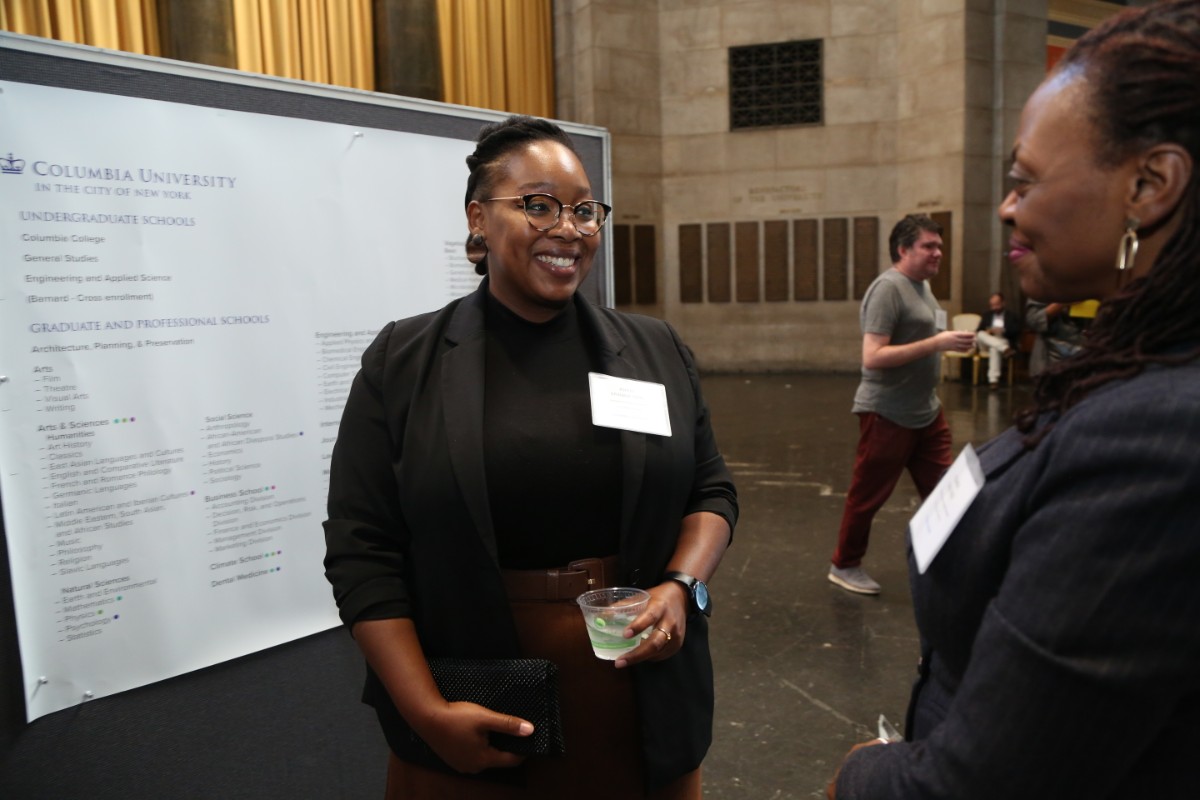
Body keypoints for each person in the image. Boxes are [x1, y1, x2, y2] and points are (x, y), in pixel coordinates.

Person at [828, 1, 1200, 796]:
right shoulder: (1131, 378)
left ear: (1150, 185)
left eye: (1025, 181)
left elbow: (984, 781)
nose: (1005, 207)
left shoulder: (1154, 439)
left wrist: (859, 774)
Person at [323, 115, 738, 799]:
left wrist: (680, 589)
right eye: (538, 206)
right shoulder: (403, 363)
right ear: (478, 219)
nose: (568, 229)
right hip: (474, 701)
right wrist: (425, 711)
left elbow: (710, 490)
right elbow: (362, 551)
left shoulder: (655, 352)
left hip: (641, 695)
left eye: (584, 210)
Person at [828, 215, 976, 595]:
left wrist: (949, 341)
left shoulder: (922, 287)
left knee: (946, 490)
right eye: (929, 246)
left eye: (939, 246)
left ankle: (954, 559)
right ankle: (844, 564)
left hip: (925, 409)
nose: (938, 253)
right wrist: (938, 343)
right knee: (868, 495)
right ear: (903, 249)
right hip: (888, 411)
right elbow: (872, 357)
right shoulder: (888, 289)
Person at [974, 292, 1021, 387]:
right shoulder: (987, 315)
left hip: (1003, 338)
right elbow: (979, 330)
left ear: (1003, 303)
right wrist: (989, 331)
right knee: (980, 334)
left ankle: (993, 380)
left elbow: (1016, 331)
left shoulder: (1011, 315)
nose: (994, 308)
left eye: (997, 305)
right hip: (988, 340)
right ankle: (1005, 349)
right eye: (992, 305)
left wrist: (1003, 330)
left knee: (994, 348)